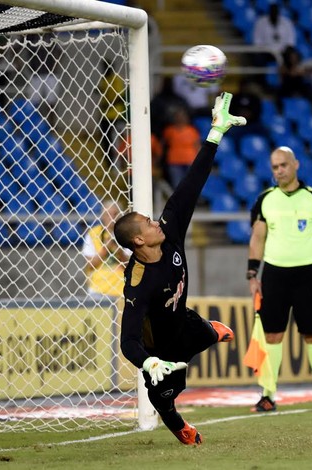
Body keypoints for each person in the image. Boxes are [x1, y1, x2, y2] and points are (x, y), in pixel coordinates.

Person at [114, 93, 246, 446]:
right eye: (147, 223)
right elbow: (127, 340)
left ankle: (208, 329)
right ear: (139, 242)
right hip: (161, 346)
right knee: (163, 395)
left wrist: (215, 133)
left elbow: (191, 184)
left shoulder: (169, 230)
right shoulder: (138, 283)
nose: (155, 222)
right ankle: (178, 427)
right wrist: (148, 363)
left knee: (201, 333)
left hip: (183, 321)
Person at [247, 146, 312, 413]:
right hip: (274, 274)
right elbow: (257, 239)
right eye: (275, 167)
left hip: (309, 274)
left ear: (296, 164)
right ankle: (268, 396)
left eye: (283, 165)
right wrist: (253, 274)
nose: (279, 171)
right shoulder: (264, 200)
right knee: (273, 335)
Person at [82, 200, 130, 298]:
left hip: (122, 289)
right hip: (98, 289)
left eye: (115, 214)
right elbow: (90, 264)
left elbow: (131, 266)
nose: (111, 217)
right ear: (102, 216)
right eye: (108, 214)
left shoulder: (128, 234)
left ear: (120, 215)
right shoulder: (93, 234)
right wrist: (105, 249)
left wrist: (119, 251)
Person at [162, 107, 201, 188]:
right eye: (178, 116)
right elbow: (163, 145)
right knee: (177, 186)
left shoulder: (192, 130)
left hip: (190, 161)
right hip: (174, 162)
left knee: (191, 185)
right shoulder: (169, 130)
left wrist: (200, 161)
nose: (180, 118)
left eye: (182, 116)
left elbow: (197, 146)